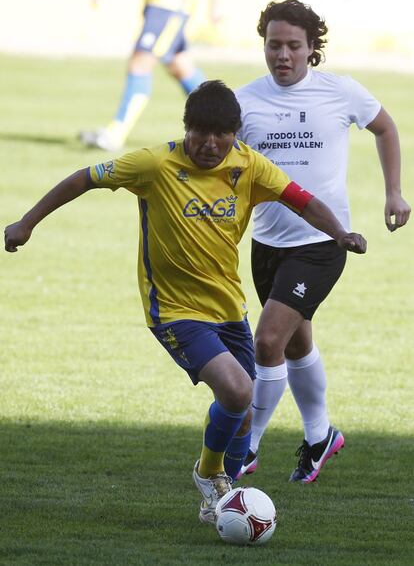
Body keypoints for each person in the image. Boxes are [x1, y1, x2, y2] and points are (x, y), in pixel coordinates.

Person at [5, 81, 367, 523]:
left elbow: (302, 201)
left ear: (236, 134)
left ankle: (220, 496)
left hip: (230, 310)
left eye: (222, 135)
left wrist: (339, 233)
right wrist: (27, 222)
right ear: (186, 129)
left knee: (245, 411)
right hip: (174, 312)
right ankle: (207, 473)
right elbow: (85, 178)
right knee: (237, 391)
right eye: (201, 134)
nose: (211, 145)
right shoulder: (154, 164)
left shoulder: (249, 166)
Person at [235, 0, 411, 484]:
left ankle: (245, 446)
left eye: (294, 46)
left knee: (268, 340)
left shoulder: (341, 92)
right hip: (267, 243)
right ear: (264, 46)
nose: (283, 55)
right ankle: (320, 437)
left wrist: (393, 191)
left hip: (323, 241)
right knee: (295, 343)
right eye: (274, 45)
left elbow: (385, 127)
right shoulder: (244, 100)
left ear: (313, 49)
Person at [80, 0, 207, 151]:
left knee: (140, 64)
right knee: (180, 66)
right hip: (165, 4)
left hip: (168, 5)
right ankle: (229, 121)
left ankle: (115, 134)